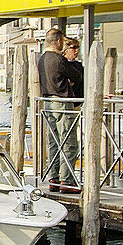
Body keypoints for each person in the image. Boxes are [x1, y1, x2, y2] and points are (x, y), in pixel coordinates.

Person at [36, 28, 83, 192]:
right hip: (62, 102)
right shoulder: (58, 60)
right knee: (68, 142)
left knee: (54, 142)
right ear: (58, 41)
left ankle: (54, 177)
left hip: (48, 102)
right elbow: (77, 76)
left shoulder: (42, 59)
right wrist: (69, 82)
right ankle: (67, 181)